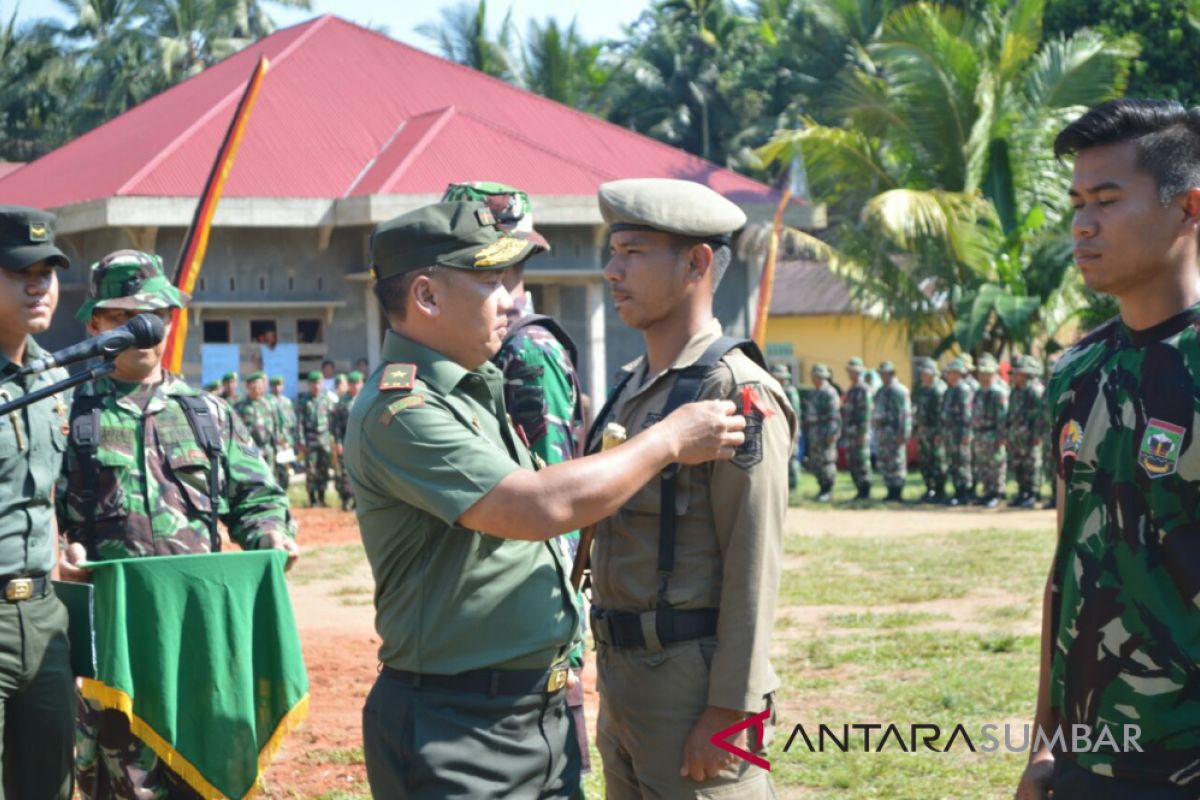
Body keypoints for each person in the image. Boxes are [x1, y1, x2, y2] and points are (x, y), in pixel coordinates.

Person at [344, 200, 745, 799]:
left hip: (531, 714)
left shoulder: (471, 389)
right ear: (426, 296)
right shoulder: (404, 409)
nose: (511, 299)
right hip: (458, 726)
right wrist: (666, 439)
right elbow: (535, 508)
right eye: (489, 281)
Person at [54, 249, 298, 800]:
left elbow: (256, 496)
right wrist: (60, 551)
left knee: (202, 769)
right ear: (95, 323)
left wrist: (272, 534)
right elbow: (44, 512)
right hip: (118, 644)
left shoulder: (207, 415)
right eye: (123, 318)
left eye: (155, 316)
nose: (143, 330)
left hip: (198, 637)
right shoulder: (71, 416)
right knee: (122, 783)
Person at [1016, 99, 1200, 800]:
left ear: (1189, 207)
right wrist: (1043, 746)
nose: (1082, 225)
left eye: (1107, 200)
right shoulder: (1076, 373)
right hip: (1090, 759)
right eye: (1077, 203)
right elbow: (1066, 569)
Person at [586, 178, 793, 798]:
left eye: (633, 252)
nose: (611, 270)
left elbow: (754, 560)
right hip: (625, 678)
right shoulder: (635, 386)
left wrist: (731, 708)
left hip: (693, 685)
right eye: (613, 252)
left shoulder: (732, 391)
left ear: (697, 263)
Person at [0, 204, 74, 800]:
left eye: (47, 272)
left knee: (49, 785)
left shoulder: (54, 379)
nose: (38, 285)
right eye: (20, 271)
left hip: (44, 615)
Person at [1006, 355, 1045, 509]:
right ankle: (1022, 492)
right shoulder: (1015, 391)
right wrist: (1008, 432)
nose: (1015, 376)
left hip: (1029, 436)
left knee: (1032, 465)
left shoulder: (1034, 391)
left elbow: (1039, 416)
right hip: (1016, 436)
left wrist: (1036, 435)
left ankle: (1033, 493)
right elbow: (1010, 414)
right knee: (1018, 465)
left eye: (1018, 373)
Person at [970, 353, 1008, 508]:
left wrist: (1001, 436)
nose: (984, 377)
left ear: (994, 374)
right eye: (982, 374)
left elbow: (1002, 417)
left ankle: (997, 493)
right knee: (983, 465)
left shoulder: (998, 393)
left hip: (993, 434)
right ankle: (987, 492)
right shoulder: (979, 392)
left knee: (996, 465)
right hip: (980, 434)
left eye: (987, 374)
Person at [871, 360, 911, 502]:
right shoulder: (881, 391)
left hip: (895, 433)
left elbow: (905, 414)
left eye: (885, 373)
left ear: (892, 374)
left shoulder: (899, 390)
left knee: (896, 462)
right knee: (885, 462)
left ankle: (897, 492)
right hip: (883, 433)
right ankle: (889, 490)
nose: (883, 376)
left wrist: (904, 434)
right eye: (881, 374)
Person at [939, 357, 974, 506]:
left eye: (951, 372)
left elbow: (967, 414)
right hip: (950, 433)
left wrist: (967, 434)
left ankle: (964, 493)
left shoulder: (963, 390)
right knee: (953, 463)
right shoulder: (949, 390)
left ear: (959, 373)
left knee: (962, 463)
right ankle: (957, 491)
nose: (948, 375)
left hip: (960, 434)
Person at [912, 358, 947, 503]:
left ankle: (939, 490)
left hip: (934, 432)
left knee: (937, 461)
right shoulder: (922, 389)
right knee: (925, 461)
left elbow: (942, 414)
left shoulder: (939, 390)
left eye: (925, 373)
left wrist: (939, 432)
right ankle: (929, 489)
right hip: (923, 431)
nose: (922, 376)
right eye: (921, 373)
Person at [805, 363, 841, 502]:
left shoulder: (830, 392)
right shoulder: (814, 392)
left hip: (825, 433)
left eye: (815, 376)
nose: (813, 379)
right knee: (817, 462)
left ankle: (828, 489)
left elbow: (834, 415)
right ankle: (822, 488)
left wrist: (832, 433)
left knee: (827, 461)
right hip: (815, 434)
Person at [297, 370, 333, 507]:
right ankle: (312, 499)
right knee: (311, 470)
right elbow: (299, 422)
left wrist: (333, 438)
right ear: (309, 384)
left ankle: (322, 497)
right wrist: (301, 440)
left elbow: (332, 420)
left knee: (323, 468)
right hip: (310, 438)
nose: (316, 386)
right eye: (313, 383)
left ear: (322, 383)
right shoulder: (304, 400)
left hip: (324, 438)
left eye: (318, 383)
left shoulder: (326, 399)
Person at [235, 371, 280, 476]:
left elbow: (276, 426)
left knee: (269, 478)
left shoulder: (269, 405)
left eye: (259, 385)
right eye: (253, 386)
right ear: (248, 387)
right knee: (253, 479)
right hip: (250, 451)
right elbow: (236, 431)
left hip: (268, 449)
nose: (256, 388)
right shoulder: (240, 407)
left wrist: (277, 446)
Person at [331, 370, 363, 511]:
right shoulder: (342, 403)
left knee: (361, 472)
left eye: (357, 383)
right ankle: (345, 500)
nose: (355, 386)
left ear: (362, 384)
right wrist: (338, 442)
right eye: (352, 383)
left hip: (362, 443)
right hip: (345, 441)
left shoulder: (365, 399)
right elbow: (336, 425)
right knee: (345, 473)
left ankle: (359, 502)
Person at [842, 356, 872, 500]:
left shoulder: (863, 390)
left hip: (859, 433)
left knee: (862, 461)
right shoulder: (852, 390)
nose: (851, 374)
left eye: (854, 371)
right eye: (850, 371)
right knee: (852, 461)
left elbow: (866, 413)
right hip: (851, 433)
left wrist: (863, 432)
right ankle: (859, 489)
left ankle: (865, 490)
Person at [770, 363, 802, 491]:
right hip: (780, 429)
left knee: (792, 457)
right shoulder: (778, 389)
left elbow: (794, 414)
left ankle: (793, 485)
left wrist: (792, 432)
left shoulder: (790, 391)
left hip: (790, 429)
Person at [268, 375, 296, 492]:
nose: (277, 388)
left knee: (286, 470)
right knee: (274, 470)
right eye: (274, 385)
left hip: (286, 442)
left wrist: (289, 441)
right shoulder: (268, 401)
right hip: (274, 442)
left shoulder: (287, 402)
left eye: (279, 385)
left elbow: (292, 422)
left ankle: (284, 492)